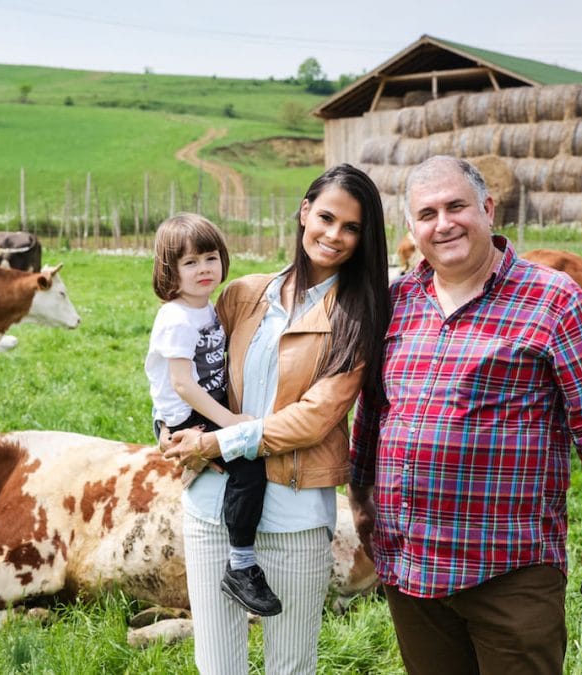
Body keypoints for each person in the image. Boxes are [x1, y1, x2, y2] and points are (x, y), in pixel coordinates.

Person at [349, 155, 582, 675]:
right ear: (411, 229)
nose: (443, 224)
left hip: (508, 568)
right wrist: (360, 498)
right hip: (409, 563)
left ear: (487, 209)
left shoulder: (554, 300)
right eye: (427, 214)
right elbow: (373, 413)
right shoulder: (394, 302)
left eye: (456, 206)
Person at [162, 164, 390, 674]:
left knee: (290, 666)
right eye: (326, 217)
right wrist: (168, 425)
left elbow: (314, 419)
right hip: (211, 503)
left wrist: (218, 443)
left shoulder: (358, 317)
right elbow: (195, 372)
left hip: (292, 513)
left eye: (351, 227)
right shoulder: (242, 294)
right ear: (304, 212)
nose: (333, 234)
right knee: (217, 665)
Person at [144, 213, 278, 616]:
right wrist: (230, 423)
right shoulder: (176, 318)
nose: (203, 269)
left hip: (204, 406)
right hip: (190, 416)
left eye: (210, 257)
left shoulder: (204, 308)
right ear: (170, 271)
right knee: (249, 465)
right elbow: (182, 383)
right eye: (190, 263)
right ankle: (240, 564)